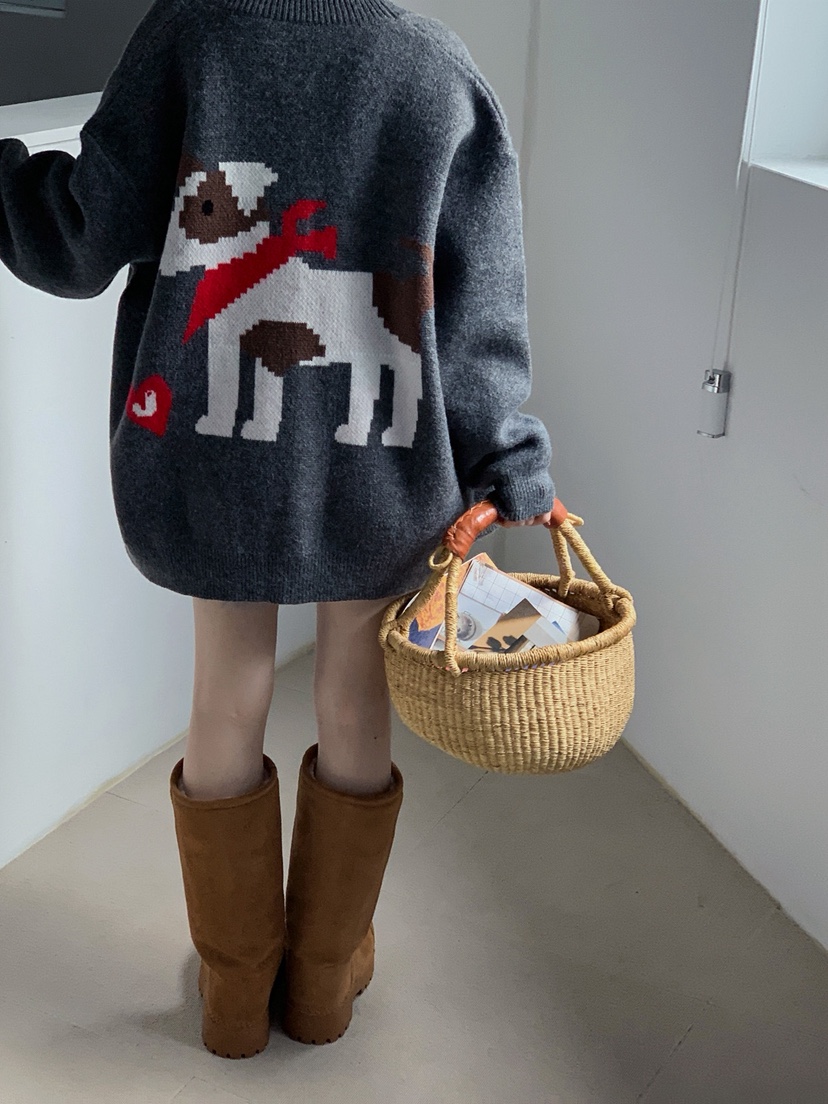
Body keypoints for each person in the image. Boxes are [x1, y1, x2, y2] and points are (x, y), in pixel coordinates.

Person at [0, 0, 555, 1061]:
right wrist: (512, 462)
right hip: (383, 458)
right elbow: (480, 313)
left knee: (227, 687)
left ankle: (233, 989)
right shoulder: (437, 72)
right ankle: (323, 982)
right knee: (355, 688)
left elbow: (79, 235)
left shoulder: (193, 34)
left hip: (219, 456)